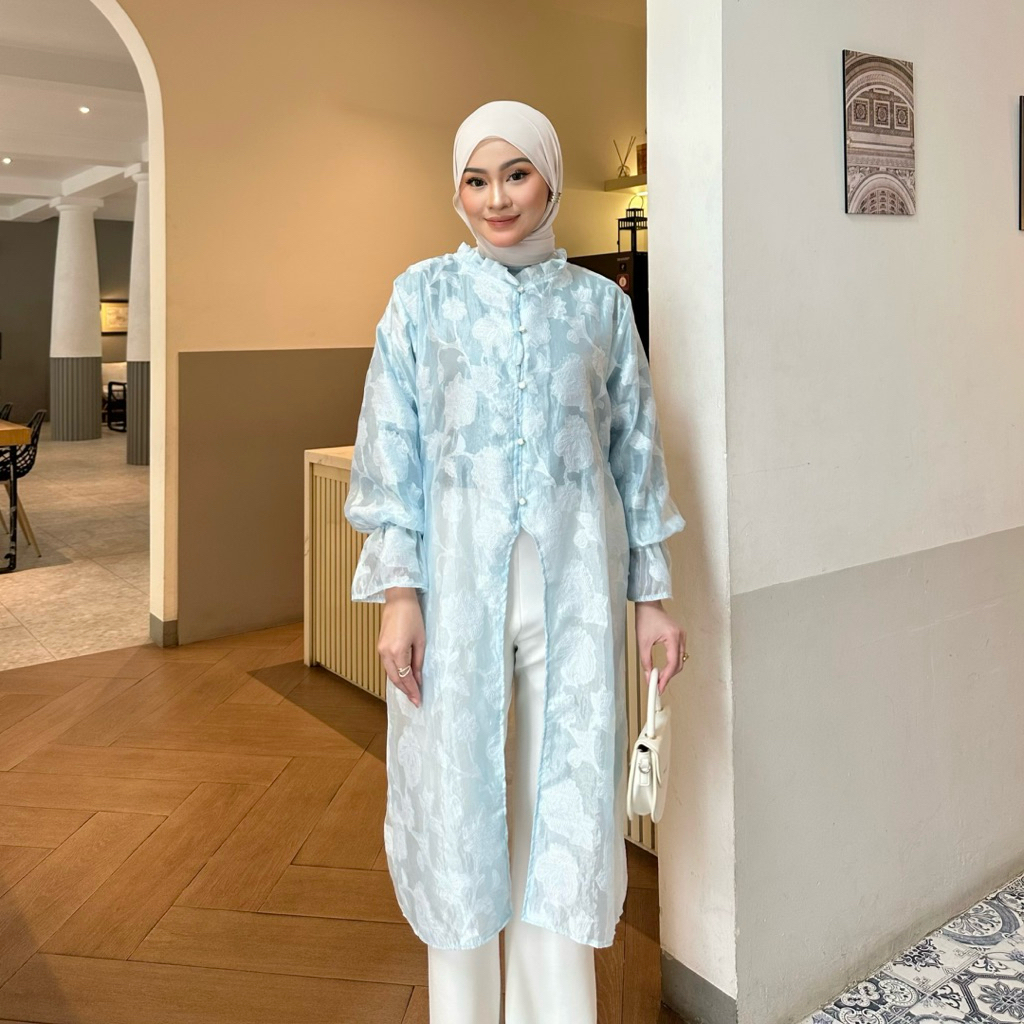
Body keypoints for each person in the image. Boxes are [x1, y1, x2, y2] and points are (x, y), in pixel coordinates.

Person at [343, 100, 688, 1024]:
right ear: (457, 191)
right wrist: (400, 595)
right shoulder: (422, 297)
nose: (496, 198)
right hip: (454, 600)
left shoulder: (600, 307)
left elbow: (636, 457)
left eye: (516, 174)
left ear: (550, 181)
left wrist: (651, 597)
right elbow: (390, 452)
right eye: (476, 179)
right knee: (459, 815)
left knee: (562, 817)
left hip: (574, 599)